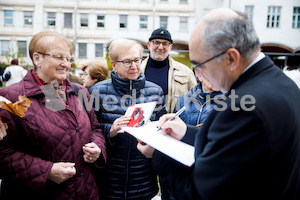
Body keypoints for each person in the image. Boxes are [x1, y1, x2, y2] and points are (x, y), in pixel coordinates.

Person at [137, 8, 300, 199]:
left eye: (199, 65)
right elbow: (237, 142)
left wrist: (158, 154)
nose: (198, 75)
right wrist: (186, 132)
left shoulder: (241, 107)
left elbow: (200, 192)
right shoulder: (284, 84)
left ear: (231, 58)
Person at [0, 31, 107, 200]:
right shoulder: (10, 98)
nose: (66, 64)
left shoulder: (80, 92)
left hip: (86, 191)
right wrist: (46, 170)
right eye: (59, 57)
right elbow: (3, 154)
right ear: (37, 59)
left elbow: (95, 128)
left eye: (69, 59)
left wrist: (97, 148)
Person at [89, 38, 166, 200]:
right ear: (114, 64)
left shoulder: (155, 91)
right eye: (127, 61)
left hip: (143, 179)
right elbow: (86, 131)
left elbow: (162, 131)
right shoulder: (96, 91)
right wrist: (110, 130)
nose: (134, 66)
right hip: (108, 180)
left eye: (137, 60)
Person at [141, 28, 197, 113]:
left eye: (165, 44)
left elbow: (196, 99)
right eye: (156, 42)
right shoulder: (137, 71)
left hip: (174, 123)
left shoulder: (186, 72)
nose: (160, 47)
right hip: (143, 123)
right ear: (149, 45)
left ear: (170, 46)